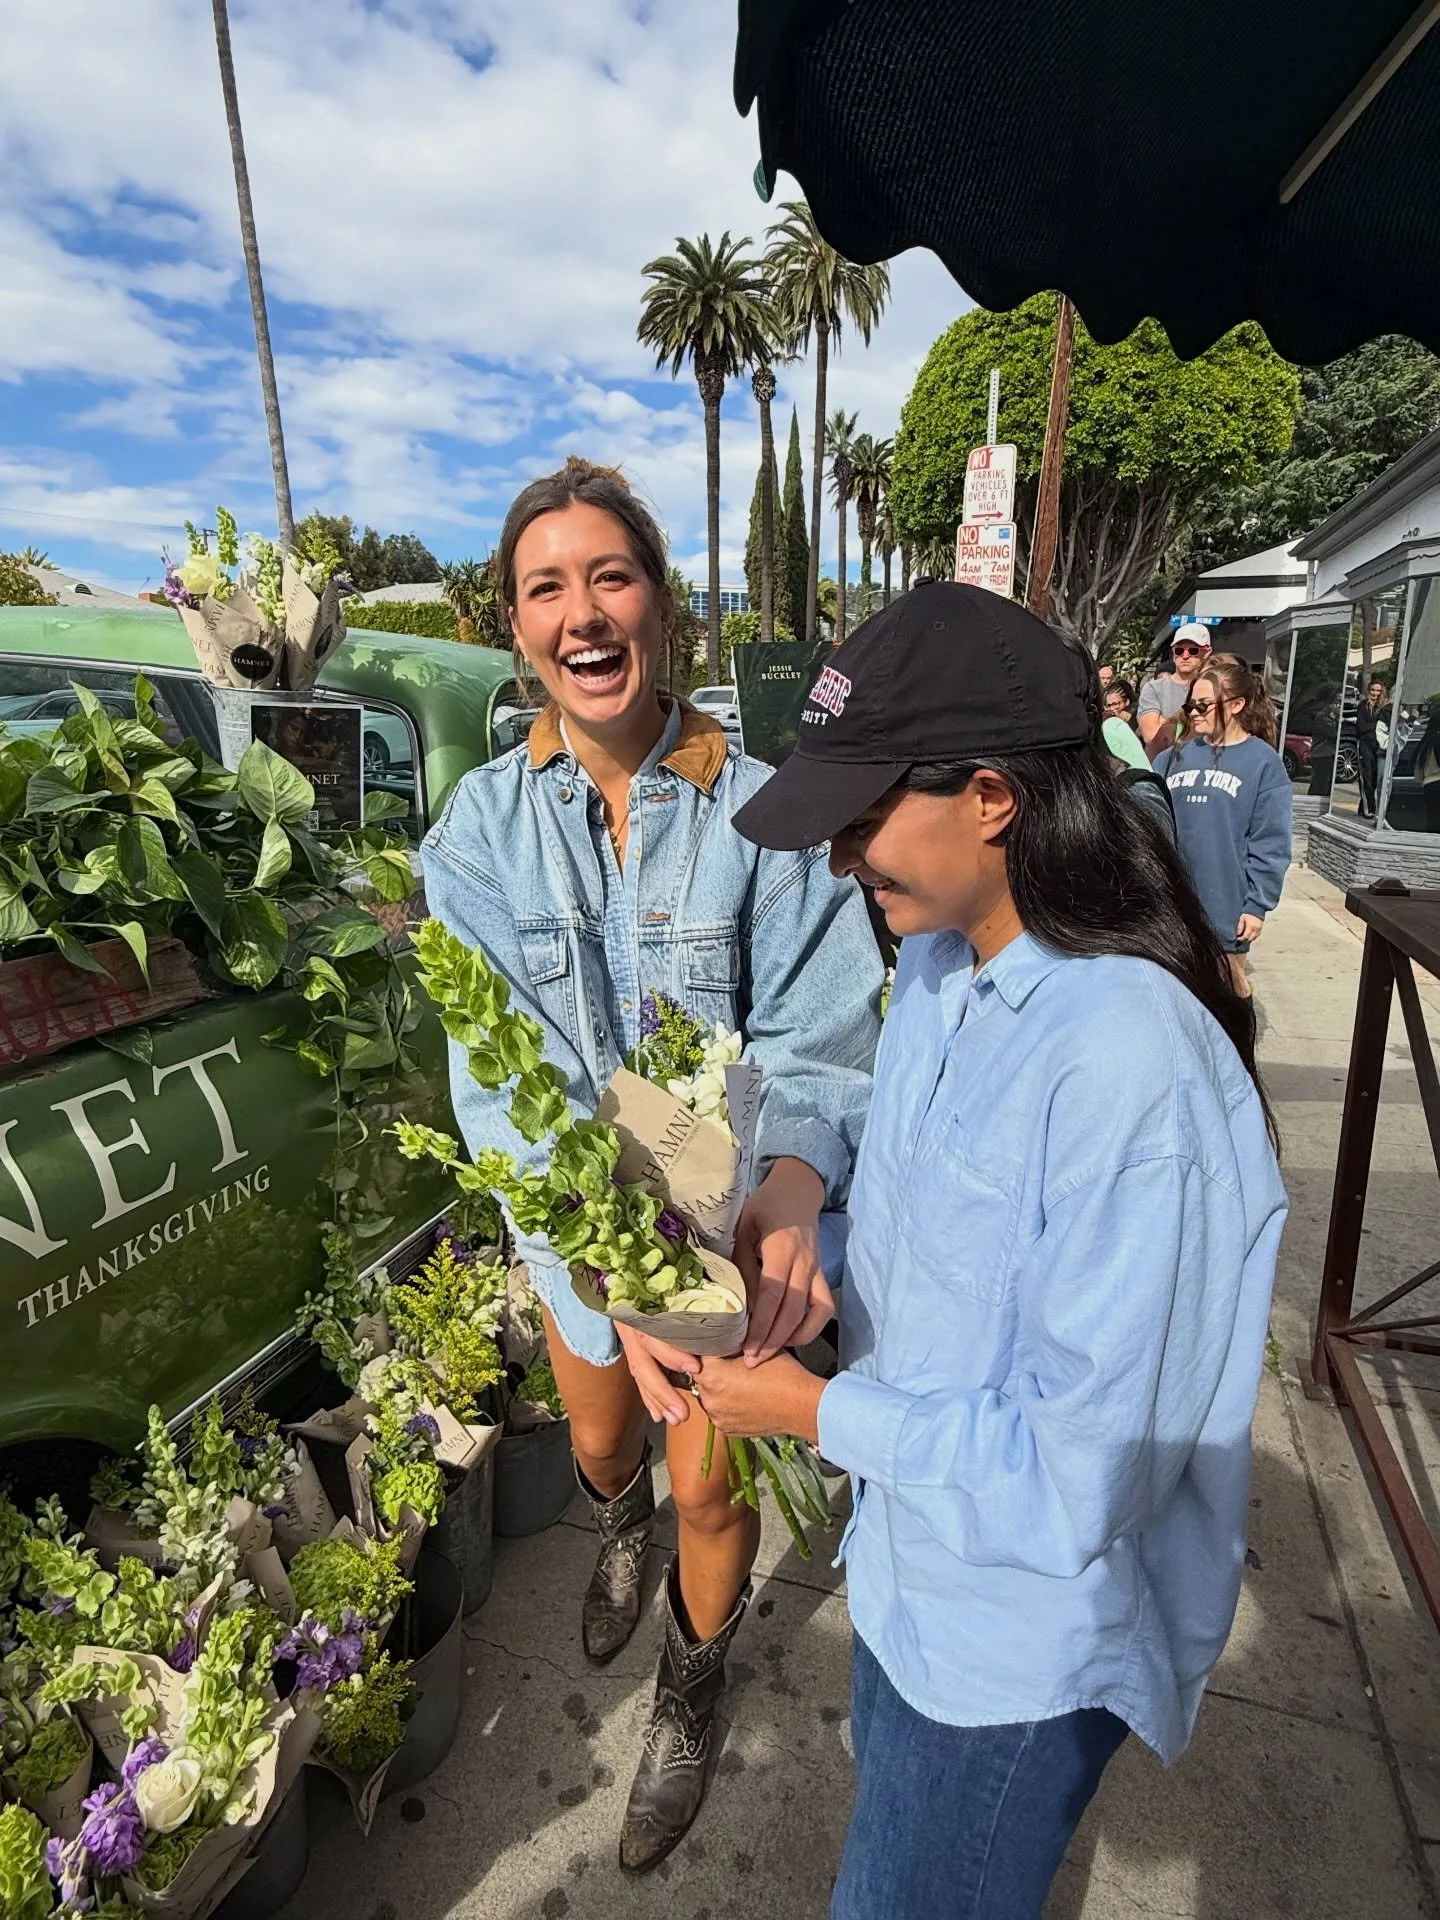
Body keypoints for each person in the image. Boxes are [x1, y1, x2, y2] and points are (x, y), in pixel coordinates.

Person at [688, 583, 1287, 1920]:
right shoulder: (947, 969)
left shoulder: (1132, 1068)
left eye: (863, 818)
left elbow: (1078, 1479)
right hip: (911, 1578)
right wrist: (805, 1245)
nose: (844, 859)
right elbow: (932, 1241)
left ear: (994, 796)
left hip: (1015, 1651)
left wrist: (817, 1410)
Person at [422, 458, 882, 1871]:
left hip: (728, 1239)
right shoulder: (479, 836)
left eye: (610, 576)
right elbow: (499, 1079)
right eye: (546, 588)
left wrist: (793, 1184)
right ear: (517, 629)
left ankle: (689, 1688)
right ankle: (614, 1525)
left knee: (709, 1488)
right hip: (582, 1246)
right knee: (609, 1448)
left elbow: (820, 1032)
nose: (583, 612)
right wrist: (604, 1265)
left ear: (664, 608)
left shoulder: (772, 818)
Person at [1154, 654, 1291, 1000]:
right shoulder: (1172, 758)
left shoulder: (1263, 763)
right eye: (1191, 707)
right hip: (1172, 906)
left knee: (1227, 1001)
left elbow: (1271, 841)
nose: (1195, 714)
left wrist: (1256, 905)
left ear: (1237, 704)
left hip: (1225, 909)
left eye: (1204, 706)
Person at [1136, 623, 1212, 758]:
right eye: (1179, 650)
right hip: (1163, 767)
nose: (1185, 655)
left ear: (1206, 652)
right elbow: (1152, 737)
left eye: (1193, 650)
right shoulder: (1154, 688)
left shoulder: (1213, 689)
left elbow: (1215, 734)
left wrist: (1165, 723)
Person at [1355, 675, 1388, 819]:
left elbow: (1386, 726)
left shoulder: (1383, 708)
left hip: (1378, 746)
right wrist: (1376, 726)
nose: (1375, 693)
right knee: (1366, 777)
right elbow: (1361, 727)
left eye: (1378, 691)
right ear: (1369, 690)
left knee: (1374, 779)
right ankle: (1370, 809)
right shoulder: (1363, 705)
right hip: (1364, 745)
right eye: (1373, 690)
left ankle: (1363, 807)